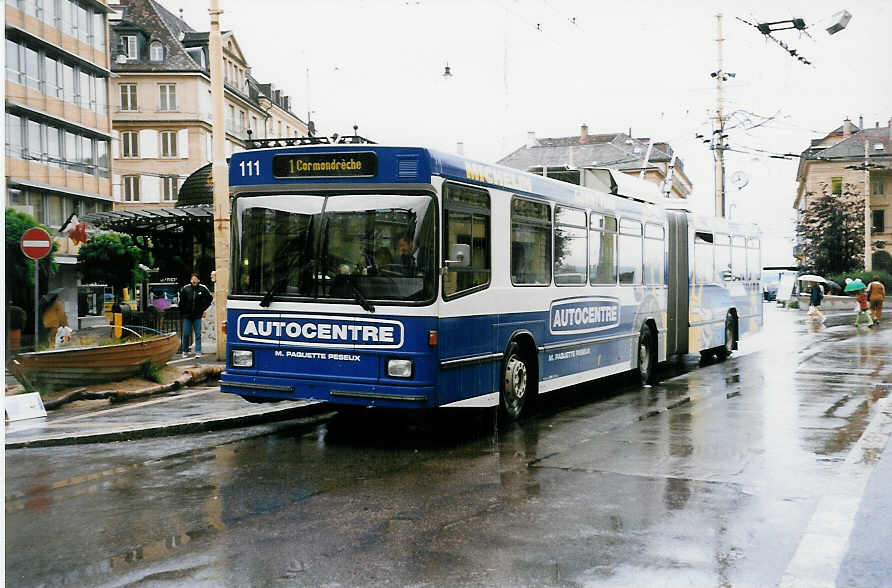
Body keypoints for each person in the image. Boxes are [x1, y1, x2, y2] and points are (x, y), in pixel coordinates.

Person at [179, 273, 212, 357]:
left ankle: (198, 351)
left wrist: (203, 308)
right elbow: (181, 301)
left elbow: (210, 298)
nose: (193, 280)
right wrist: (183, 311)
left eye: (195, 279)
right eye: (192, 279)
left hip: (197, 315)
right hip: (187, 316)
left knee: (198, 334)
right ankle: (185, 350)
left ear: (198, 280)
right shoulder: (186, 288)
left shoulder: (203, 288)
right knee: (186, 334)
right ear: (190, 280)